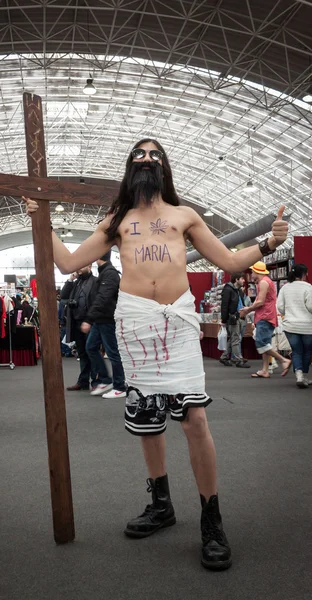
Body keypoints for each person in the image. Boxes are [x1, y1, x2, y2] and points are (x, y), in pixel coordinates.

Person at [23, 138, 288, 571]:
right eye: (139, 155)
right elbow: (70, 264)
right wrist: (42, 218)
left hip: (178, 323)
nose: (147, 160)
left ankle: (212, 520)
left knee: (195, 419)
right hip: (136, 324)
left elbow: (230, 261)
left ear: (165, 167)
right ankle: (161, 504)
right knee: (148, 421)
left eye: (155, 155)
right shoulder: (119, 219)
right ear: (130, 167)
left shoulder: (184, 216)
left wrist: (269, 244)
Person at [81, 251, 126, 398]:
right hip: (100, 319)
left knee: (113, 352)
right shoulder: (103, 273)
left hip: (107, 320)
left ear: (97, 257)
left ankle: (120, 386)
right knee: (91, 347)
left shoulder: (110, 274)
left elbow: (103, 298)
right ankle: (106, 379)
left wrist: (89, 319)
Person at [240, 262, 291, 379]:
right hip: (267, 315)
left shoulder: (263, 282)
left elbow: (260, 301)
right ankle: (265, 370)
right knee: (265, 344)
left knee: (261, 342)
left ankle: (283, 360)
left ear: (257, 272)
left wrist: (248, 309)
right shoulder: (265, 282)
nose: (251, 274)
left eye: (252, 272)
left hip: (265, 316)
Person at [61, 266, 98, 391]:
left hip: (91, 323)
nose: (80, 268)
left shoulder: (96, 281)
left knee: (92, 352)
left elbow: (97, 303)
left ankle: (96, 382)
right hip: (76, 322)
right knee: (82, 353)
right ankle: (83, 381)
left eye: (83, 266)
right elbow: (64, 295)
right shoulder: (76, 283)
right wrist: (70, 279)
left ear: (90, 266)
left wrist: (90, 320)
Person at [277, 264, 312, 388]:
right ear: (304, 274)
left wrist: (288, 313)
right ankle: (305, 376)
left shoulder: (285, 288)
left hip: (290, 325)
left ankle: (299, 376)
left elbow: (280, 306)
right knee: (307, 351)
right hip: (307, 326)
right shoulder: (308, 287)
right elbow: (311, 306)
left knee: (297, 351)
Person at [219, 273, 249, 368]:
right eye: (242, 279)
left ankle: (224, 357)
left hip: (240, 317)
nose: (244, 281)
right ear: (236, 279)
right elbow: (224, 306)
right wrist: (224, 320)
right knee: (235, 339)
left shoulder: (238, 290)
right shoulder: (228, 290)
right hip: (233, 318)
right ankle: (238, 359)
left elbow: (240, 303)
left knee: (233, 338)